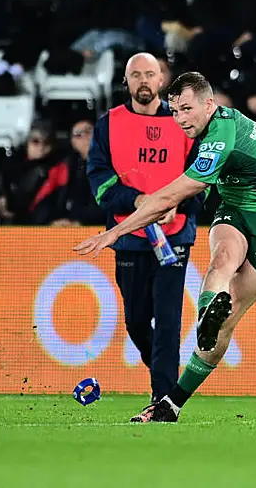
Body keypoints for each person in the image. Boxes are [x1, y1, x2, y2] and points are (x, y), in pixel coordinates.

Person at [74, 72, 256, 423]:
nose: (180, 118)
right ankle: (207, 315)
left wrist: (114, 232)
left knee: (228, 321)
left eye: (186, 109)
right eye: (174, 111)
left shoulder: (220, 135)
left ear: (209, 104)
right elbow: (188, 193)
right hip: (237, 206)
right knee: (221, 261)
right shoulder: (210, 132)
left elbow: (171, 193)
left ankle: (172, 401)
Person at [85, 53, 199, 407]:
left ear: (162, 79)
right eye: (136, 75)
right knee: (136, 321)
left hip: (174, 235)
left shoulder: (185, 122)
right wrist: (138, 203)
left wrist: (176, 204)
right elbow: (99, 179)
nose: (143, 81)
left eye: (150, 74)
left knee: (168, 320)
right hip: (130, 236)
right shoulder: (108, 124)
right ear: (126, 81)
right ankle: (162, 376)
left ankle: (163, 398)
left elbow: (204, 173)